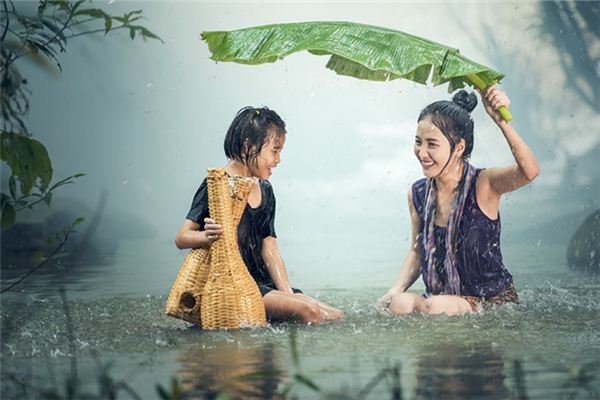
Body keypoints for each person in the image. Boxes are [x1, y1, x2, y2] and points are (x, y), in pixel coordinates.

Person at [380, 86, 540, 316]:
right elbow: (418, 250)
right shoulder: (417, 193)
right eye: (418, 142)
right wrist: (394, 290)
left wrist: (501, 121)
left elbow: (530, 171)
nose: (422, 153)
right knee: (399, 304)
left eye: (432, 144)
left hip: (490, 301)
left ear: (459, 148)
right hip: (440, 301)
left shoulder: (484, 185)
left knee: (434, 306)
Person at [175, 106, 344, 324]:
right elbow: (181, 237)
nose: (278, 159)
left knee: (335, 316)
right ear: (249, 145)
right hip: (237, 287)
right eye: (275, 150)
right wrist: (205, 237)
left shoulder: (265, 189)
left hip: (264, 285)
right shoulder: (217, 184)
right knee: (310, 311)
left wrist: (288, 294)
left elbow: (269, 248)